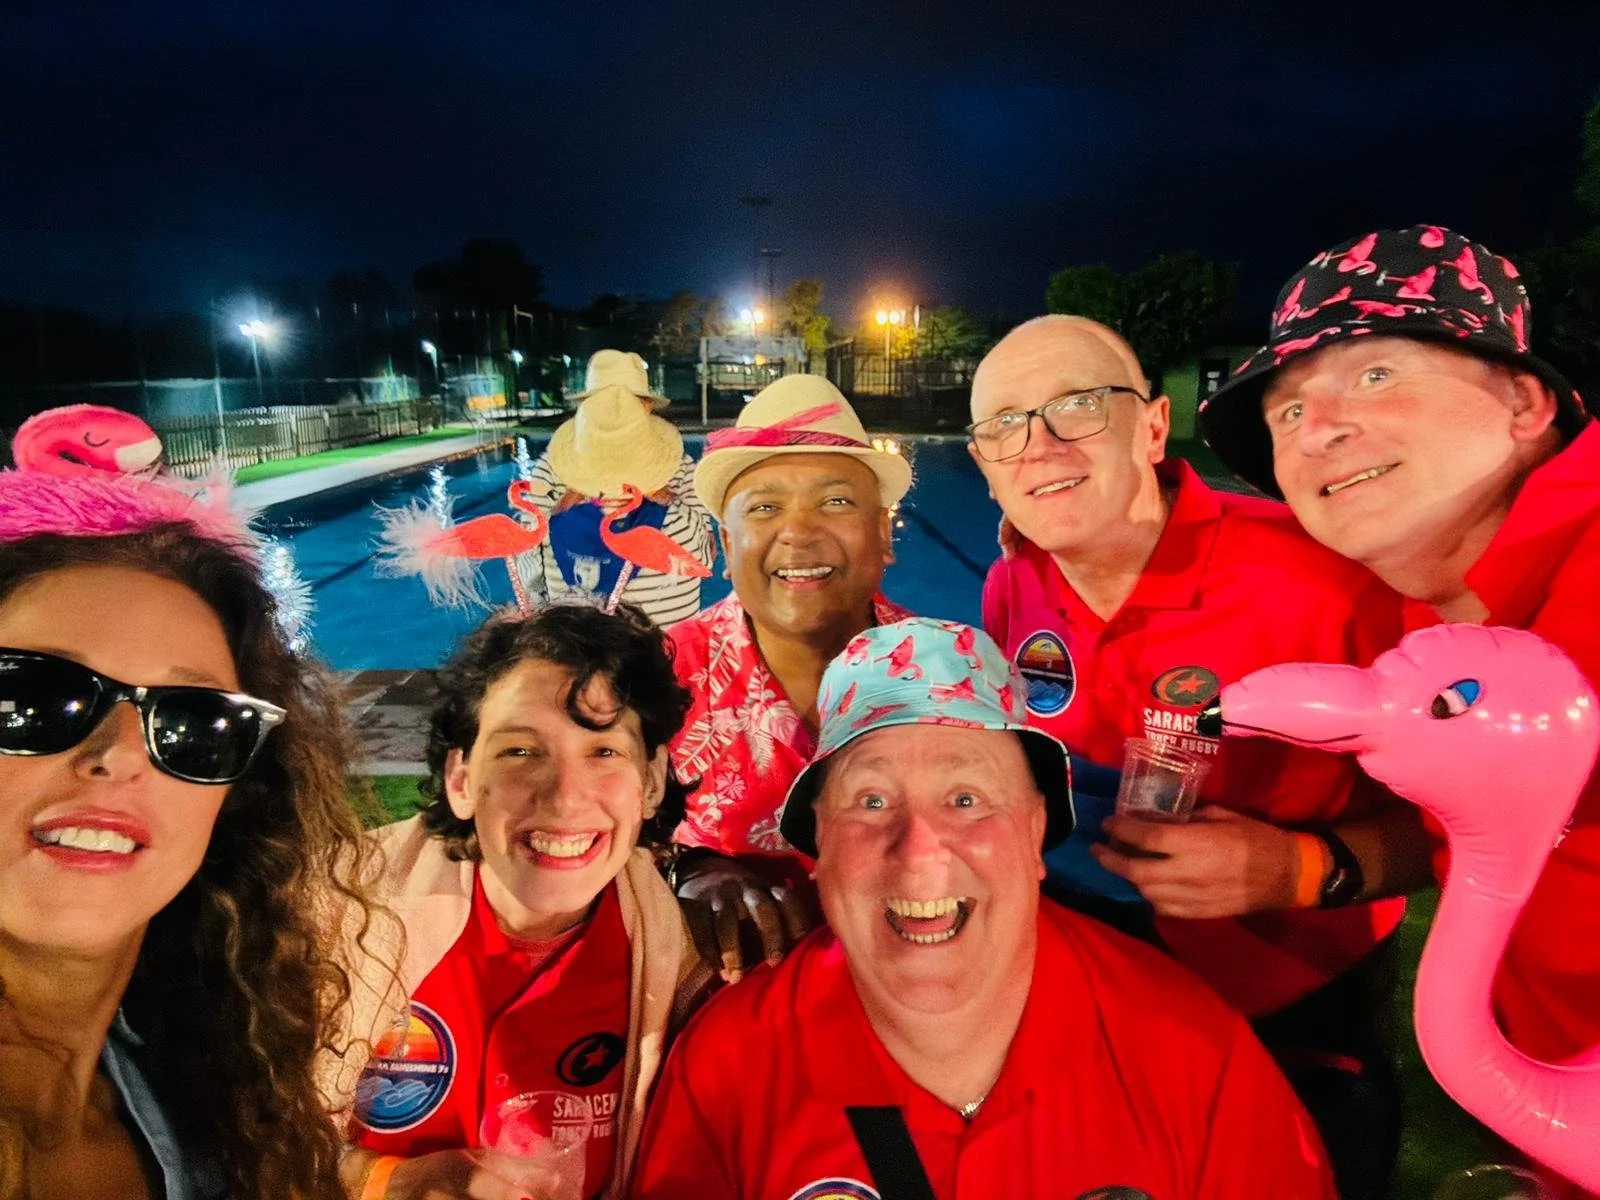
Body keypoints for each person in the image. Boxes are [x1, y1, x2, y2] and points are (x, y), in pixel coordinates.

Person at [631, 618, 1335, 1199]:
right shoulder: (729, 1064)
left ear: (1034, 832)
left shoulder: (1188, 1048)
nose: (920, 852)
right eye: (872, 802)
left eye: (966, 800)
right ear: (820, 843)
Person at [969, 314, 1427, 1197]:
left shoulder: (1333, 577)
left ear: (1151, 424)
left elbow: (1466, 819)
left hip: (1292, 998)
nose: (1038, 444)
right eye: (1004, 424)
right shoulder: (1012, 581)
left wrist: (1296, 868)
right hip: (1088, 981)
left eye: (1076, 405)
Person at [1198, 225, 1599, 1196]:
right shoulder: (1423, 616)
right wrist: (1298, 866)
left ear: (1524, 400)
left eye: (1373, 375)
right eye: (1284, 412)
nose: (1317, 429)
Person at [0, 411, 384, 1200]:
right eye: (33, 696)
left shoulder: (193, 1086)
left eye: (196, 723)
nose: (116, 758)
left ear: (239, 793)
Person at [333, 602, 720, 1200]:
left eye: (604, 752)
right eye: (520, 751)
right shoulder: (331, 912)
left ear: (651, 781)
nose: (565, 798)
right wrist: (388, 1182)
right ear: (461, 781)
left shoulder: (692, 960)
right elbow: (231, 1128)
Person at [665, 374, 913, 969]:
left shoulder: (940, 672)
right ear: (726, 547)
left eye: (835, 502)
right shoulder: (657, 675)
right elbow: (597, 845)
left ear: (883, 534)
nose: (799, 532)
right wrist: (691, 872)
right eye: (766, 507)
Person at [519, 350, 715, 625]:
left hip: (664, 648)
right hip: (580, 645)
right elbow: (705, 556)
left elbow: (529, 563)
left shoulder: (679, 468)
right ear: (647, 405)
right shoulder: (554, 468)